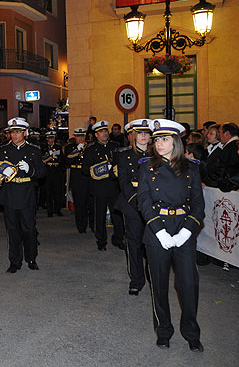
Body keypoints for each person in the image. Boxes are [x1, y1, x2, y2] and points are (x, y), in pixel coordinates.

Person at [137, 119, 205, 352]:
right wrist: (160, 232)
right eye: (156, 139)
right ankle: (163, 331)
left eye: (164, 139)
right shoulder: (146, 167)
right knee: (159, 285)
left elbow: (198, 205)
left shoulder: (192, 168)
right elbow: (144, 202)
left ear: (176, 141)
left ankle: (191, 332)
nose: (159, 144)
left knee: (188, 284)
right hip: (158, 232)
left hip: (184, 230)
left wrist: (187, 230)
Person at [0, 117, 46, 273]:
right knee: (12, 230)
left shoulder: (33, 150)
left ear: (25, 132)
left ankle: (31, 258)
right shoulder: (3, 150)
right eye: (12, 132)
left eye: (18, 132)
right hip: (10, 194)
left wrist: (30, 170)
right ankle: (15, 261)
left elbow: (42, 173)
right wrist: (2, 172)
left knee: (29, 229)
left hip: (27, 193)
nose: (14, 135)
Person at [115, 119, 152, 296]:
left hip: (154, 205)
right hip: (133, 204)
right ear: (133, 135)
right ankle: (136, 279)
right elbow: (123, 181)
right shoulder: (124, 155)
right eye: (140, 133)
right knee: (134, 243)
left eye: (146, 133)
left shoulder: (158, 154)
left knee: (153, 245)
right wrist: (137, 202)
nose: (143, 136)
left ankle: (153, 277)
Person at [82, 120, 125, 251]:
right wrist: (98, 170)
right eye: (101, 131)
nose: (104, 133)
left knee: (117, 215)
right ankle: (101, 240)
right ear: (96, 135)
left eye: (105, 130)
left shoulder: (116, 146)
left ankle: (118, 238)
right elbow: (84, 169)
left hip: (114, 187)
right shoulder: (91, 149)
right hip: (99, 188)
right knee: (99, 215)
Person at [64, 128, 93, 233]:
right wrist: (77, 150)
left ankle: (92, 225)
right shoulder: (70, 148)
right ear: (75, 137)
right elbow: (67, 160)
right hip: (77, 177)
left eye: (82, 136)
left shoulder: (89, 148)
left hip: (88, 177)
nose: (80, 138)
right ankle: (81, 226)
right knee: (79, 204)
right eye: (78, 136)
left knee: (90, 203)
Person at [41, 130, 65, 217]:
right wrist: (48, 156)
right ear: (47, 138)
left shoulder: (58, 147)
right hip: (48, 171)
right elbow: (41, 159)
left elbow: (62, 159)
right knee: (48, 192)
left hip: (56, 170)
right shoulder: (43, 147)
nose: (51, 140)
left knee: (57, 191)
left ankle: (57, 209)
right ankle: (50, 210)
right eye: (49, 138)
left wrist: (57, 157)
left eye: (53, 138)